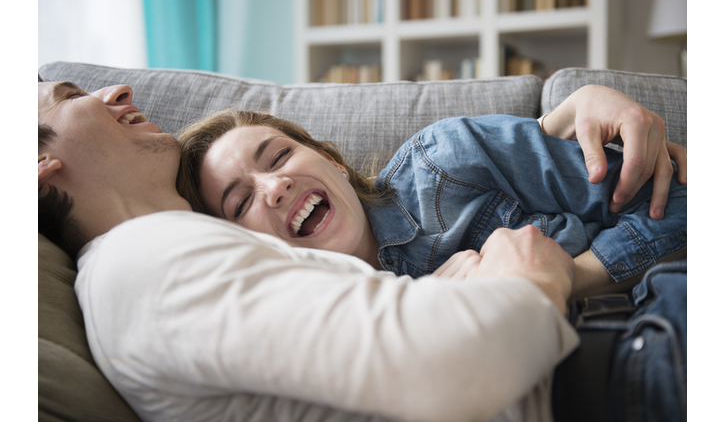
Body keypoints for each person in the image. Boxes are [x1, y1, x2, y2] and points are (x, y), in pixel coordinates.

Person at [38, 79, 684, 422]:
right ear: (37, 164)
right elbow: (451, 363)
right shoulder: (143, 264)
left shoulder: (173, 251)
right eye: (71, 98)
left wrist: (564, 118)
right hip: (620, 366)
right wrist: (537, 276)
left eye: (281, 156)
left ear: (335, 161)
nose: (115, 92)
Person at [175, 86, 686, 299]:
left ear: (330, 160)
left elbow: (685, 200)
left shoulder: (445, 161)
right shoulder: (307, 327)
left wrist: (567, 276)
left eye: (279, 157)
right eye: (240, 202)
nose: (275, 186)